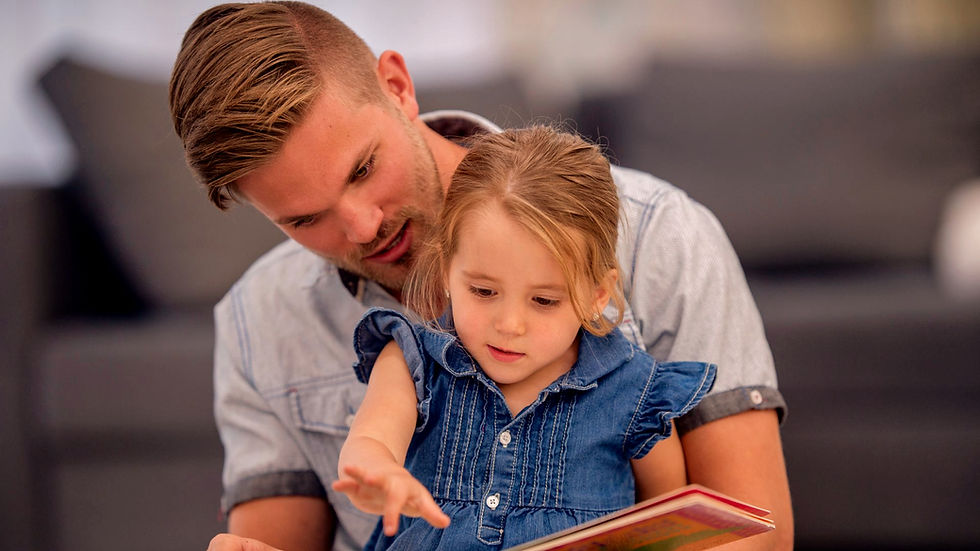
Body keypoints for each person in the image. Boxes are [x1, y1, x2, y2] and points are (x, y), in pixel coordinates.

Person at [168, 3, 793, 550]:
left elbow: (749, 536)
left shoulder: (661, 235)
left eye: (362, 169)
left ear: (397, 85)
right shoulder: (259, 319)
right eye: (305, 219)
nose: (362, 229)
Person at [332, 126, 717, 550]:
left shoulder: (635, 393)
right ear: (446, 271)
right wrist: (377, 472)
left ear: (597, 296)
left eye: (544, 301)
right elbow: (370, 440)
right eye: (483, 292)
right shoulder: (413, 361)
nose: (510, 324)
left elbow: (666, 522)